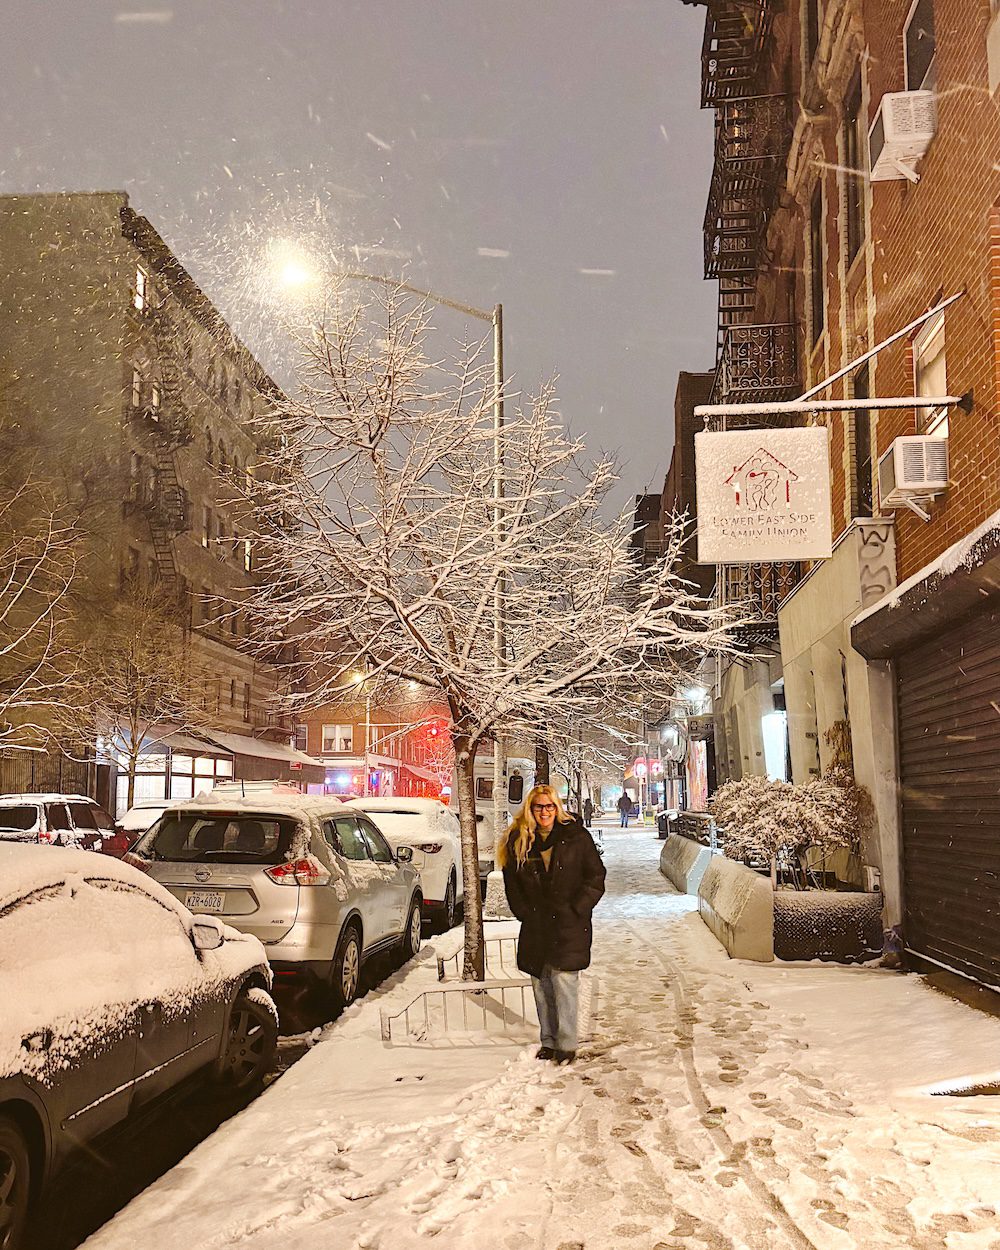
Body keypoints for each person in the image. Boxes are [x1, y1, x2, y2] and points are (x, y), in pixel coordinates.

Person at [498, 784, 606, 1065]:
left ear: (557, 808)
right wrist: (523, 912)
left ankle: (566, 1044)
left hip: (569, 923)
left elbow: (595, 876)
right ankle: (548, 1040)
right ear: (530, 809)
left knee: (565, 983)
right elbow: (511, 882)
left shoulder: (575, 837)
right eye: (539, 806)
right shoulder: (518, 839)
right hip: (536, 924)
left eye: (549, 806)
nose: (544, 812)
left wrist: (578, 907)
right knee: (542, 984)